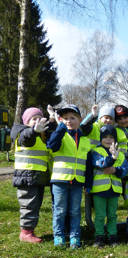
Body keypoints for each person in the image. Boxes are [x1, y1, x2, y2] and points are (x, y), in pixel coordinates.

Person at [47, 104, 92, 248]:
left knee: (75, 211)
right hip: (60, 180)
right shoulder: (60, 135)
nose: (69, 121)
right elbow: (52, 145)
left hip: (78, 182)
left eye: (72, 118)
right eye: (65, 118)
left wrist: (88, 184)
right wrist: (60, 128)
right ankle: (59, 236)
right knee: (60, 210)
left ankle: (75, 237)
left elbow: (89, 166)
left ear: (80, 120)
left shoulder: (85, 140)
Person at [11, 106, 56, 243]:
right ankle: (25, 232)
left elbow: (50, 128)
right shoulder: (22, 132)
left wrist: (52, 117)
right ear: (26, 122)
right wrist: (33, 130)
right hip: (26, 176)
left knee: (35, 205)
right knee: (28, 204)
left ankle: (30, 230)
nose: (37, 121)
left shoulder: (41, 135)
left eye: (39, 118)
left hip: (37, 176)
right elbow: (27, 138)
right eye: (33, 119)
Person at [89, 125, 128, 247]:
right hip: (99, 190)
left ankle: (113, 236)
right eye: (105, 137)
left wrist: (115, 170)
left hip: (114, 189)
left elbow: (125, 170)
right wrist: (112, 158)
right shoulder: (96, 151)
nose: (108, 140)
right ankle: (99, 236)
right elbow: (101, 163)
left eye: (111, 137)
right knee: (100, 215)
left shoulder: (120, 154)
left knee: (112, 215)